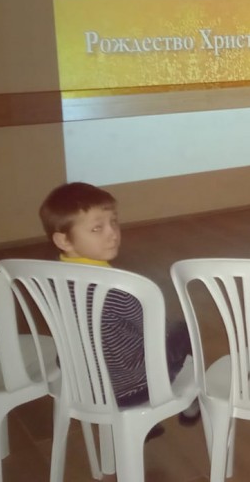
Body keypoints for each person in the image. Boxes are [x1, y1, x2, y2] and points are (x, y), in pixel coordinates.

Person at [39, 181, 200, 433]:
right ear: (64, 240)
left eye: (114, 222)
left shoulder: (46, 278)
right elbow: (153, 332)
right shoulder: (119, 288)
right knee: (184, 330)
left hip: (79, 384)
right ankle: (189, 405)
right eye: (97, 228)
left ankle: (143, 427)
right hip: (128, 391)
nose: (112, 233)